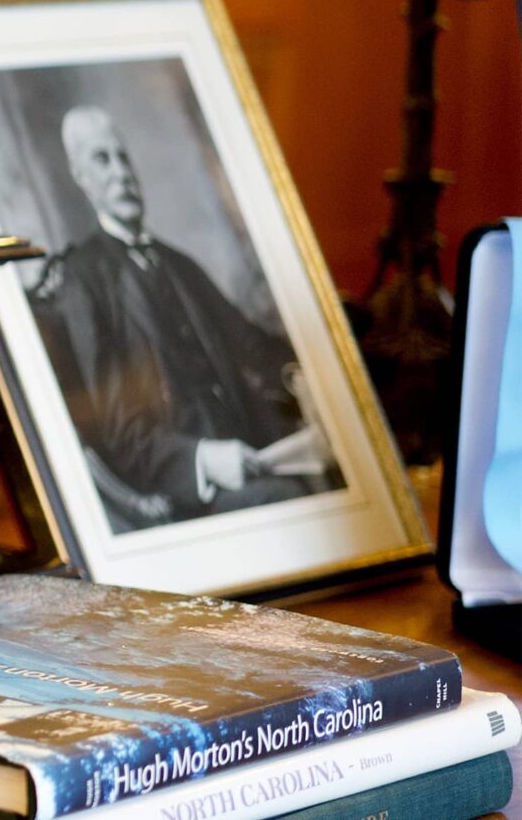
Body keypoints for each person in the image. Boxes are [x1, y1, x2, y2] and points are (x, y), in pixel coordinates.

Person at [29, 106, 331, 531]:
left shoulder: (179, 264)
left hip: (255, 454)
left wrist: (300, 376)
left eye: (123, 157)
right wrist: (203, 459)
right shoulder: (84, 279)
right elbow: (116, 430)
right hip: (186, 488)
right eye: (102, 159)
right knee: (298, 505)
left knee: (327, 482)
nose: (121, 173)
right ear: (81, 177)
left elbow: (248, 341)